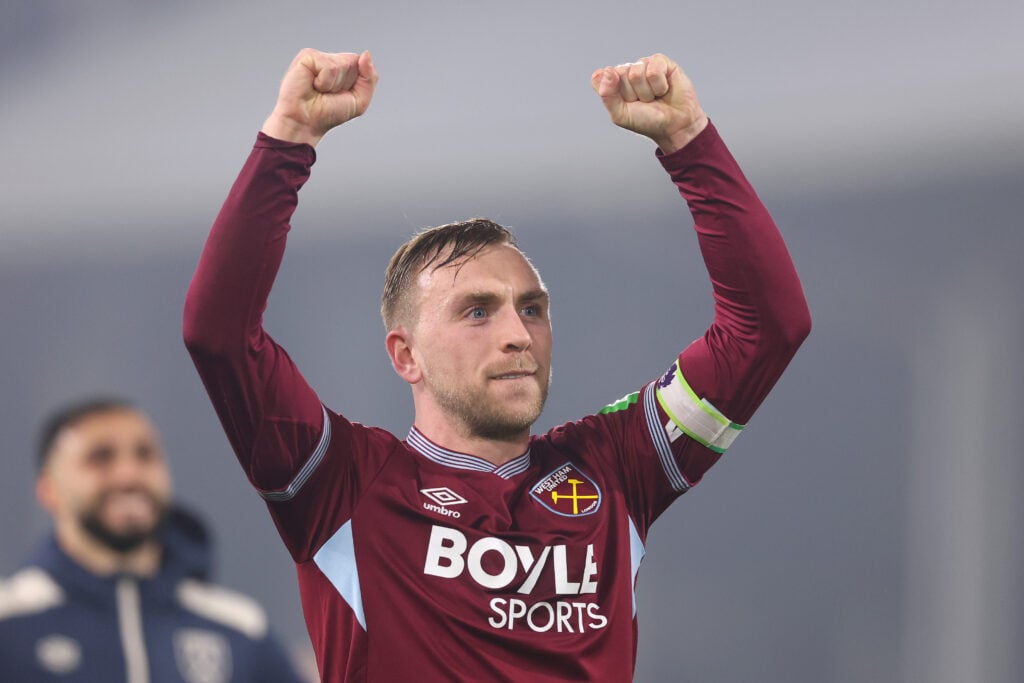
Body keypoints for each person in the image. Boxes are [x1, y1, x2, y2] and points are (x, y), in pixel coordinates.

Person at [183, 48, 811, 682]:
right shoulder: (340, 486)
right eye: (477, 312)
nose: (518, 335)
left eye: (532, 309)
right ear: (406, 355)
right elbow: (220, 333)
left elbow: (767, 329)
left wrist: (687, 139)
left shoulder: (616, 469)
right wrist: (289, 139)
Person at [0, 397, 307, 683]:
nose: (128, 474)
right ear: (48, 489)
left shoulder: (240, 629)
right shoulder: (10, 621)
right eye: (100, 458)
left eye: (145, 455)